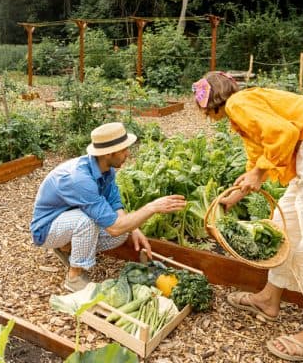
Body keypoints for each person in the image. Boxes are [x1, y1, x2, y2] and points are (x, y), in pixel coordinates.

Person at [193, 71, 303, 362]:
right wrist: (235, 196)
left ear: (212, 102)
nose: (206, 116)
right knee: (285, 228)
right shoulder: (243, 111)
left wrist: (258, 173)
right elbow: (259, 157)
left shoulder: (238, 104)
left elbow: (285, 135)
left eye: (204, 109)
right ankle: (269, 299)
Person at [30, 122, 187, 292]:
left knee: (122, 232)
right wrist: (151, 207)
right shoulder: (80, 178)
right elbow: (113, 227)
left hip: (69, 219)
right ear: (108, 154)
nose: (128, 153)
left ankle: (66, 247)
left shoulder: (106, 169)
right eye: (123, 150)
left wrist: (134, 228)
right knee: (88, 222)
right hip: (47, 229)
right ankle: (73, 278)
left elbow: (115, 205)